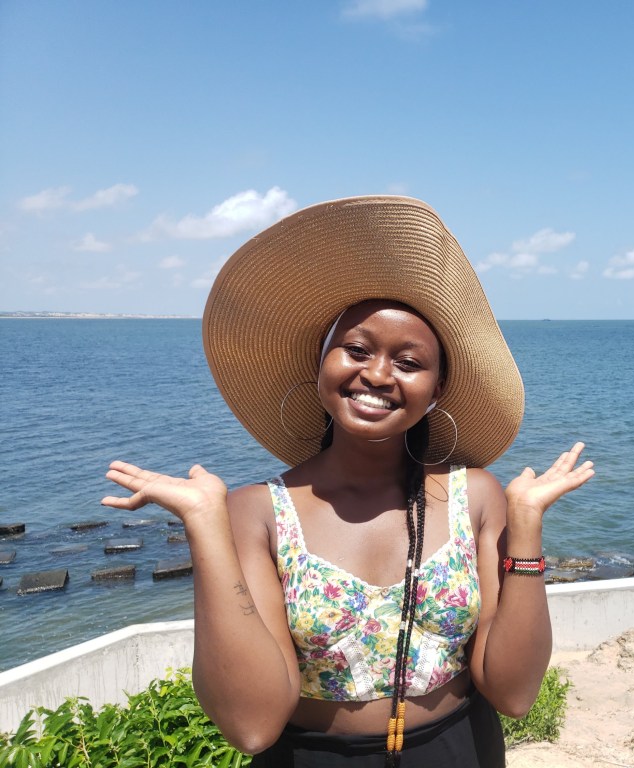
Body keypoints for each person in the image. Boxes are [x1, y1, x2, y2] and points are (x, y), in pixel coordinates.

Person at [101, 195, 594, 768]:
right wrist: (205, 525)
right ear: (321, 363)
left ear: (437, 390)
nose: (377, 374)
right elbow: (251, 726)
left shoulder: (477, 496)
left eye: (409, 363)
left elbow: (514, 693)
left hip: (462, 747)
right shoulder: (257, 512)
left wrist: (527, 526)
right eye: (356, 350)